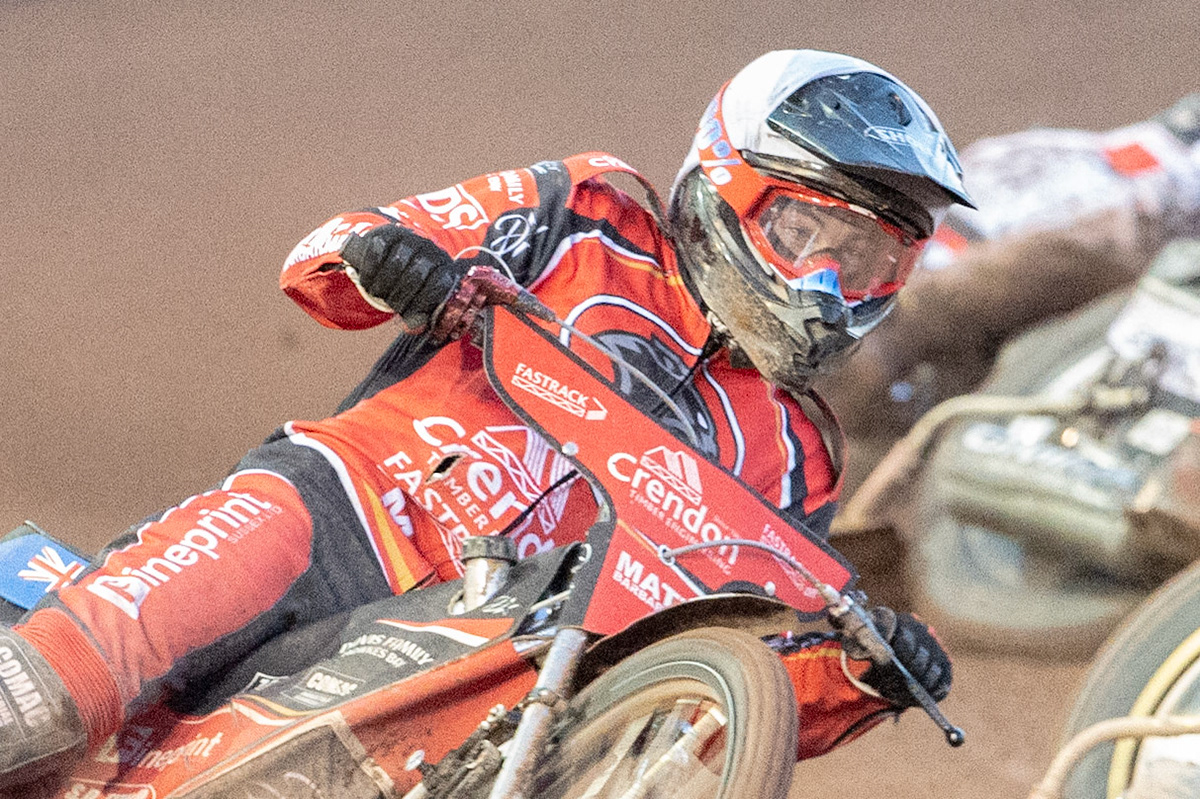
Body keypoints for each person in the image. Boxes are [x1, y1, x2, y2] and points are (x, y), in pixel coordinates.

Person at [0, 49, 974, 789]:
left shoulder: (800, 456)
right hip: (343, 512)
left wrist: (858, 676)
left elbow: (743, 666)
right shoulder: (591, 211)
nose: (829, 286)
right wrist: (392, 257)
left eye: (869, 261)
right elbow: (328, 253)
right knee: (56, 699)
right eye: (809, 233)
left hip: (507, 650)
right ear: (728, 184)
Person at [819, 91, 1200, 498]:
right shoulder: (1149, 191)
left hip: (892, 326)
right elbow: (1087, 252)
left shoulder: (1060, 152)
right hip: (908, 349)